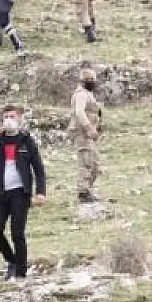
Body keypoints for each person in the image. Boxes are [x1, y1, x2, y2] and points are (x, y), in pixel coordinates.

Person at [0, 105, 47, 282]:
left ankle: (21, 273)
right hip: (1, 193)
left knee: (17, 233)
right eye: (6, 116)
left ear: (19, 119)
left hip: (20, 193)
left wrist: (40, 192)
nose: (9, 119)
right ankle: (11, 260)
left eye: (12, 116)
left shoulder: (26, 141)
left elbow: (38, 168)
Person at [68, 68, 103, 204]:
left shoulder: (88, 94)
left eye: (92, 79)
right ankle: (83, 192)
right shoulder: (81, 94)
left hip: (88, 134)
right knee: (86, 161)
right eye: (88, 80)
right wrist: (89, 128)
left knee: (94, 163)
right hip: (82, 133)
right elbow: (79, 112)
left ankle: (88, 189)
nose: (91, 82)